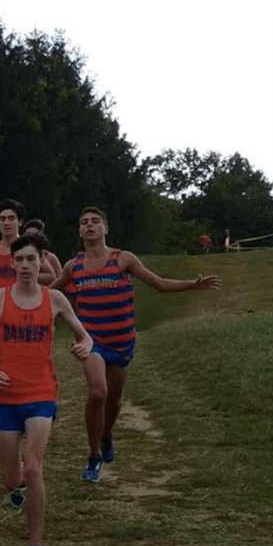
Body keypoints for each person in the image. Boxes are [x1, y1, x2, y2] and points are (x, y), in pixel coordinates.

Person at [51, 206, 222, 483]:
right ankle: (94, 456)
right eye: (84, 223)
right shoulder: (73, 266)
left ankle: (106, 435)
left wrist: (193, 284)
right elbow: (51, 293)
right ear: (79, 231)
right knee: (97, 393)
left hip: (121, 340)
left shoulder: (123, 259)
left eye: (96, 221)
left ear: (105, 228)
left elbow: (159, 283)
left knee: (114, 400)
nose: (90, 226)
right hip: (90, 339)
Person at [0, 232, 93, 546]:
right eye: (19, 260)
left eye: (31, 259)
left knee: (34, 467)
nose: (25, 265)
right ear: (12, 264)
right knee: (11, 480)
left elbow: (85, 335)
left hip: (41, 394)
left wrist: (85, 346)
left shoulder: (54, 299)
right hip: (5, 397)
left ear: (42, 262)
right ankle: (17, 489)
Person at [0, 199, 55, 291]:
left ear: (20, 222)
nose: (6, 223)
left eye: (11, 218)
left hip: (21, 301)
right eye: (2, 219)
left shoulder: (29, 247)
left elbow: (50, 276)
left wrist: (26, 274)